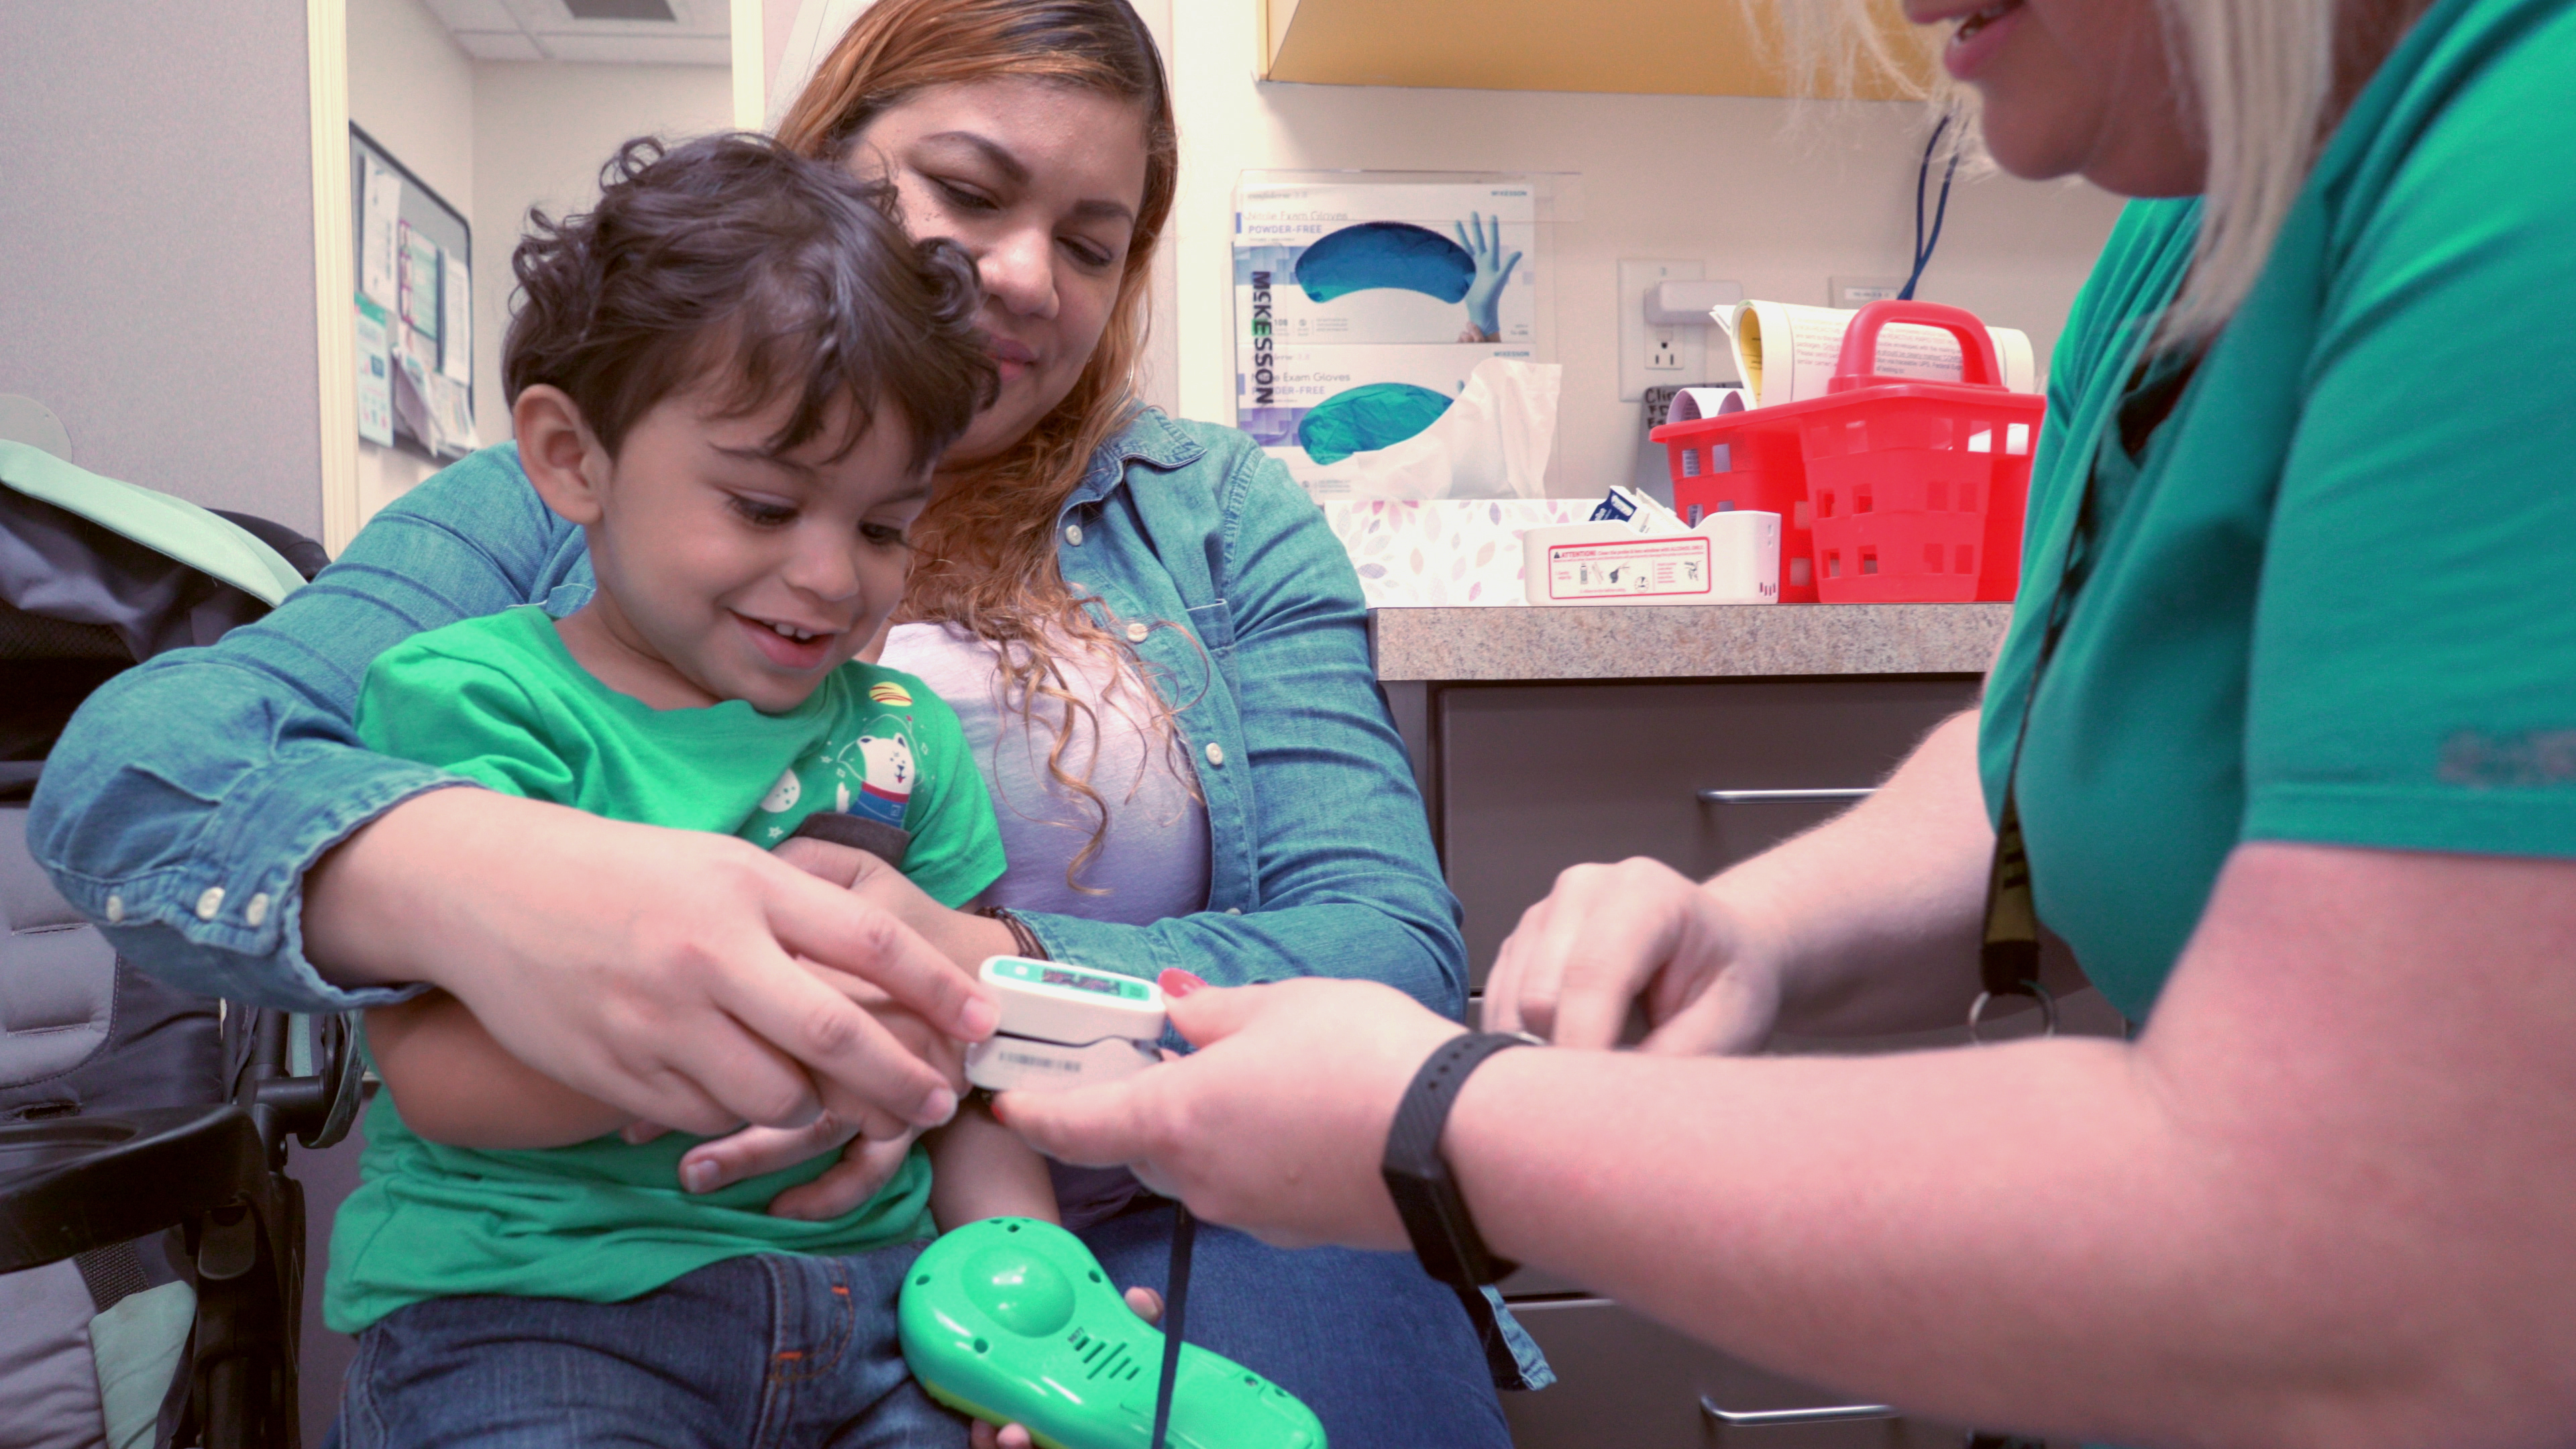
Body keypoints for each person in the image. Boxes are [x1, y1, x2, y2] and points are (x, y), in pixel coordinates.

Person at [999, 0, 2576, 1444]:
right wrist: (1753, 930)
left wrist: (1455, 1126)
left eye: (1087, 236)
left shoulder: (2528, 179)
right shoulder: (2181, 235)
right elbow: (2065, 741)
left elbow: (2371, 1273)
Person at [28, 0, 1528, 1440]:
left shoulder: (1220, 513)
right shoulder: (555, 505)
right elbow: (141, 774)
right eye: (967, 188)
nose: (1027, 277)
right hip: (649, 1264)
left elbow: (1387, 946)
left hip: (1191, 1211)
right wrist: (468, 879)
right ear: (830, 156)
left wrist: (973, 973)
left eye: (1092, 241)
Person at [326, 132, 1076, 1442]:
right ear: (572, 458)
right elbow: (436, 1076)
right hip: (541, 1317)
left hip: (878, 1324)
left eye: (885, 526)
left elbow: (969, 1071)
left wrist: (1041, 1306)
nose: (833, 577)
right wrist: (762, 1048)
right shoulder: (474, 704)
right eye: (765, 505)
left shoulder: (908, 741)